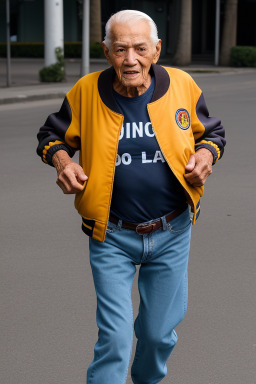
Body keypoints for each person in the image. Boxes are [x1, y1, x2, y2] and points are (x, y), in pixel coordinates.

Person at [36, 9, 226, 384]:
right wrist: (62, 161)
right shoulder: (86, 92)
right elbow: (50, 136)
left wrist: (205, 155)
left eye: (140, 48)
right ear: (106, 52)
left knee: (157, 336)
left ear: (156, 50)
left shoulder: (183, 85)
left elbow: (212, 134)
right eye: (120, 49)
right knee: (115, 338)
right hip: (112, 235)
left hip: (172, 231)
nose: (130, 59)